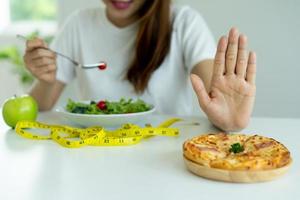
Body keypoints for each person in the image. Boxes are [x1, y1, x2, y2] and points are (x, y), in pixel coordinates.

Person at [23, 0, 256, 131]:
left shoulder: (184, 22)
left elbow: (214, 91)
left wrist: (228, 118)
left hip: (166, 156)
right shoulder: (78, 24)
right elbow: (41, 107)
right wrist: (46, 79)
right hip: (95, 153)